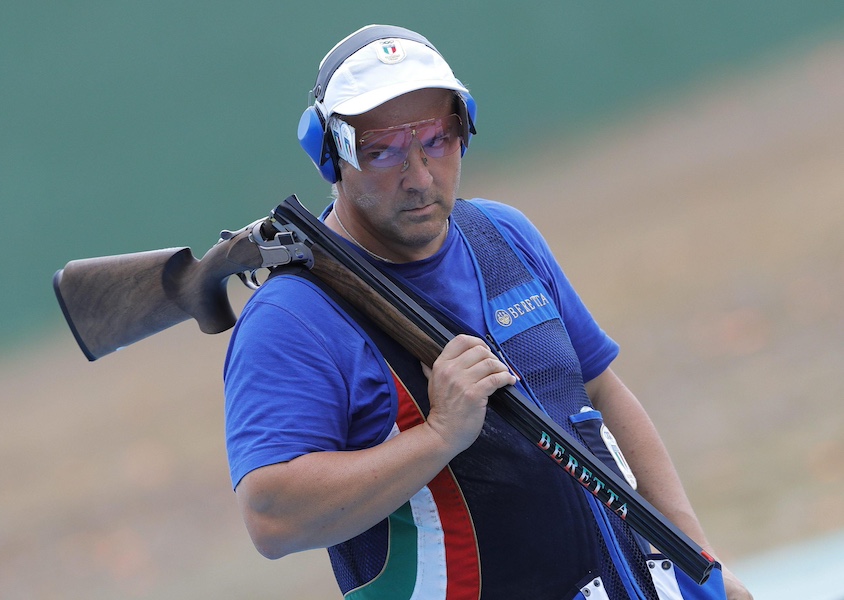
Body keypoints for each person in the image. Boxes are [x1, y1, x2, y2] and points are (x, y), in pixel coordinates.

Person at [224, 24, 752, 600]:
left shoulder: (503, 234)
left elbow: (602, 393)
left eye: (436, 140)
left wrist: (702, 570)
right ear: (329, 155)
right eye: (383, 151)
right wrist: (440, 436)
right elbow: (271, 517)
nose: (420, 177)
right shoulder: (292, 318)